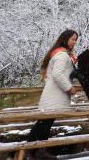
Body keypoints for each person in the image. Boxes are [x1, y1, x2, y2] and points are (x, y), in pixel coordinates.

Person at [27, 29, 82, 159]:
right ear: (65, 39)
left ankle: (33, 151)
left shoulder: (61, 54)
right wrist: (69, 88)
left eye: (76, 40)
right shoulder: (62, 55)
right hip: (54, 95)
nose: (74, 42)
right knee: (44, 123)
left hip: (52, 94)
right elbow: (57, 75)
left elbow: (56, 74)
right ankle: (36, 151)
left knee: (44, 123)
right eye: (73, 39)